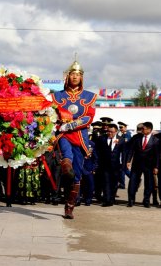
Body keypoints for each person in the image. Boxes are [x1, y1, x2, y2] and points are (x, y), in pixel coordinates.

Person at [52, 58, 97, 219]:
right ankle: (66, 163)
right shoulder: (57, 96)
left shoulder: (89, 96)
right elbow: (51, 114)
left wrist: (70, 125)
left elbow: (89, 117)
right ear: (68, 76)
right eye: (72, 74)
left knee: (76, 174)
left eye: (78, 74)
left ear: (82, 77)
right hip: (63, 133)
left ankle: (69, 206)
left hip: (80, 135)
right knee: (66, 151)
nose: (75, 77)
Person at [126, 121, 159, 208]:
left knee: (148, 184)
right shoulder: (137, 138)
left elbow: (157, 155)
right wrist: (128, 161)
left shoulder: (155, 141)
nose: (142, 130)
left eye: (143, 129)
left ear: (149, 130)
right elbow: (131, 150)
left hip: (149, 166)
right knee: (132, 182)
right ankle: (131, 200)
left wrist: (156, 167)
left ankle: (146, 201)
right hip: (136, 165)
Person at [96, 123, 125, 207]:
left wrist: (123, 165)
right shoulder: (102, 139)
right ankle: (107, 200)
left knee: (114, 183)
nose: (110, 133)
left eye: (112, 132)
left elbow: (124, 153)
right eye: (108, 131)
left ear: (116, 131)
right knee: (106, 182)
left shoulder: (121, 140)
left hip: (116, 165)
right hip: (104, 165)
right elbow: (97, 151)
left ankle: (112, 198)